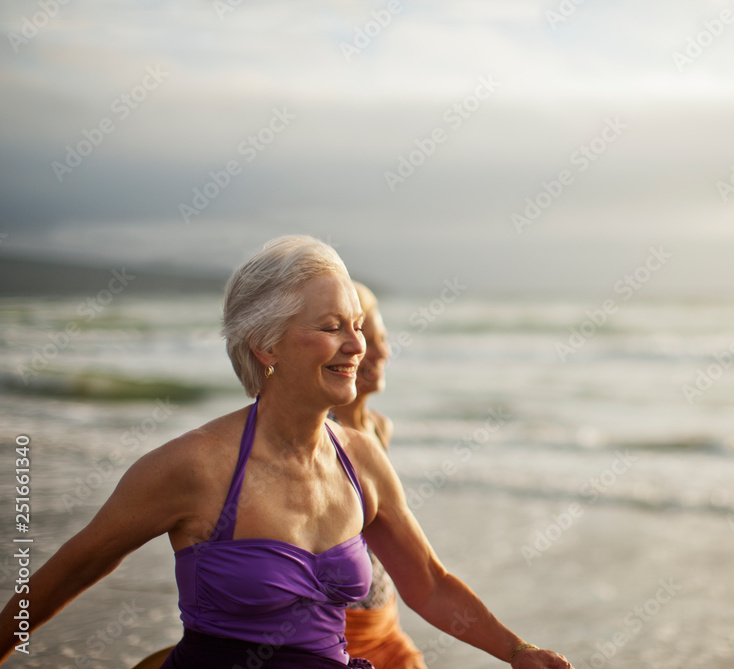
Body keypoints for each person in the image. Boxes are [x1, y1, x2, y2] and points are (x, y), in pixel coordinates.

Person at [0, 235, 574, 669]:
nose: (357, 346)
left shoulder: (362, 458)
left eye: (358, 326)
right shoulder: (194, 466)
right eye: (331, 328)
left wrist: (517, 651)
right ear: (266, 343)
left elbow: (427, 582)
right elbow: (71, 570)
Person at [331, 282, 426, 669]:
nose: (382, 351)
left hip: (386, 623)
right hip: (340, 634)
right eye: (368, 341)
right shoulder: (322, 436)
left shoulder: (378, 428)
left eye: (382, 338)